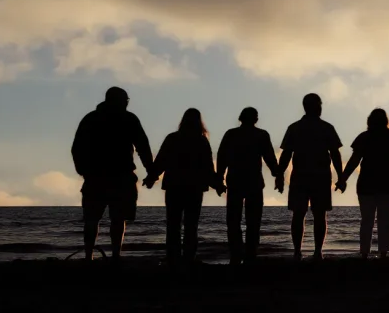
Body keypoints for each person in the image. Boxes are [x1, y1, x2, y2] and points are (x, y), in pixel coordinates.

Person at [71, 85, 154, 261]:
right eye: (125, 100)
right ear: (120, 100)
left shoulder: (91, 119)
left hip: (96, 177)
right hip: (119, 177)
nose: (126, 103)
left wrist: (83, 170)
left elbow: (77, 148)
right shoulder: (129, 119)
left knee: (93, 219)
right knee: (117, 219)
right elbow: (143, 147)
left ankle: (89, 257)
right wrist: (151, 172)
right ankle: (115, 256)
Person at [341, 109, 389, 257]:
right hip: (388, 182)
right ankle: (383, 253)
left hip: (367, 182)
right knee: (384, 218)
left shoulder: (364, 137)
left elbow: (354, 161)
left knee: (367, 220)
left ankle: (364, 252)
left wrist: (343, 179)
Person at [275, 93, 345, 260]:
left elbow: (286, 154)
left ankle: (300, 251)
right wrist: (341, 176)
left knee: (300, 214)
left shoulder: (295, 127)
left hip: (302, 175)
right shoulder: (326, 127)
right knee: (318, 214)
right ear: (317, 107)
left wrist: (279, 175)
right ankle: (316, 252)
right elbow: (335, 154)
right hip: (317, 176)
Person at [145, 108, 218, 266]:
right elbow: (207, 167)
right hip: (195, 187)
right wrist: (217, 184)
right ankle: (189, 257)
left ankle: (173, 257)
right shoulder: (201, 141)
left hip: (174, 186)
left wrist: (152, 177)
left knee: (173, 224)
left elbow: (161, 160)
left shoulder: (173, 138)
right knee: (191, 224)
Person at [215, 107, 279, 265]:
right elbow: (269, 157)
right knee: (253, 221)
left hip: (235, 181)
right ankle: (250, 253)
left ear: (240, 118)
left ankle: (236, 254)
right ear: (256, 119)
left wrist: (219, 178)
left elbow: (222, 157)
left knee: (233, 220)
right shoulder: (261, 135)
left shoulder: (231, 134)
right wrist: (277, 175)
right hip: (254, 182)